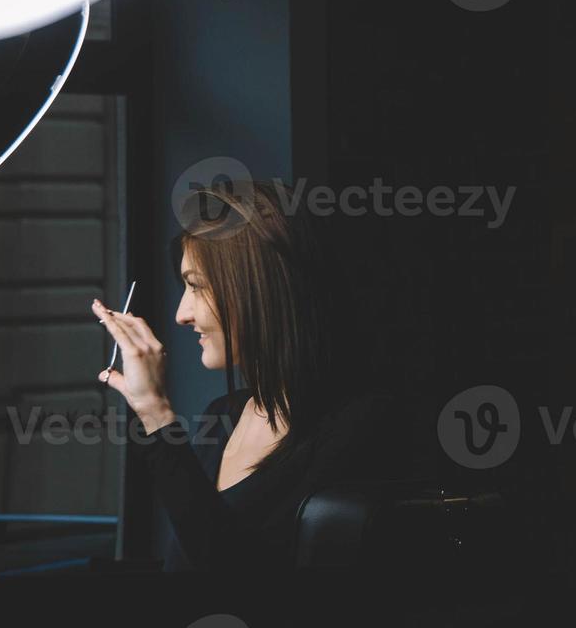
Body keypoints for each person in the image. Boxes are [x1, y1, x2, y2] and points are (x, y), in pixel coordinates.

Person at [92, 179, 409, 572]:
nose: (181, 314)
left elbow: (240, 579)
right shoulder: (221, 416)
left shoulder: (358, 426)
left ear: (258, 290)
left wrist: (156, 413)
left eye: (196, 286)